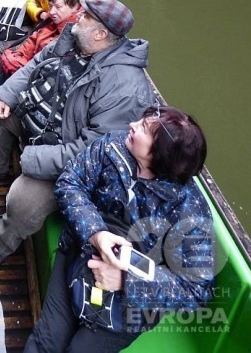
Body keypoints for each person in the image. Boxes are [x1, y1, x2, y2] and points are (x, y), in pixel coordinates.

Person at [0, 0, 156, 272]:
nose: (76, 19)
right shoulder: (74, 41)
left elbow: (92, 151)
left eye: (84, 16)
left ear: (100, 33)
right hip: (37, 124)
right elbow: (36, 64)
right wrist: (8, 94)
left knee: (22, 200)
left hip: (70, 162)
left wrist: (33, 159)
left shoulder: (125, 89)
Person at [24, 106, 215, 352]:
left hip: (132, 303)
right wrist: (96, 233)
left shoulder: (191, 209)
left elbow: (196, 290)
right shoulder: (112, 146)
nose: (132, 125)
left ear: (160, 155)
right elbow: (70, 182)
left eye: (143, 128)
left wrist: (127, 281)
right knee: (45, 342)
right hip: (77, 253)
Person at [0, 0, 82, 106]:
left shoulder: (72, 34)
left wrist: (15, 62)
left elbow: (46, 64)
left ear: (75, 6)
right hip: (30, 63)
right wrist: (17, 56)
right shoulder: (55, 21)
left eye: (58, 7)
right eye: (50, 6)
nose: (52, 11)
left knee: (3, 58)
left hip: (37, 76)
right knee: (2, 53)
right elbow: (34, 39)